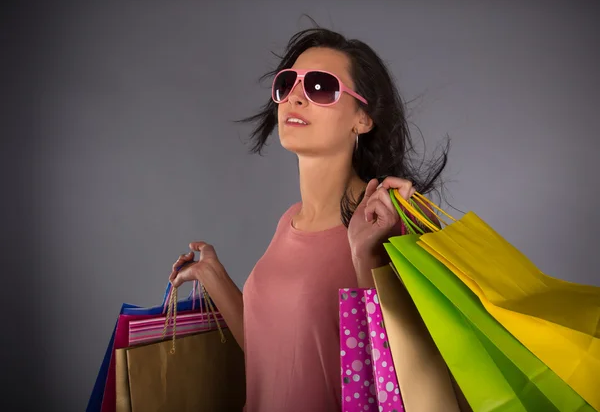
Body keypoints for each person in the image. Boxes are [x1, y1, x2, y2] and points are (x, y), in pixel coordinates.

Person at [169, 25, 447, 412]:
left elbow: (407, 375)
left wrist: (364, 255)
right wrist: (212, 275)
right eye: (288, 85)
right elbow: (276, 353)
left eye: (320, 87)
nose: (295, 97)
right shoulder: (289, 221)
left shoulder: (389, 220)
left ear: (362, 119)